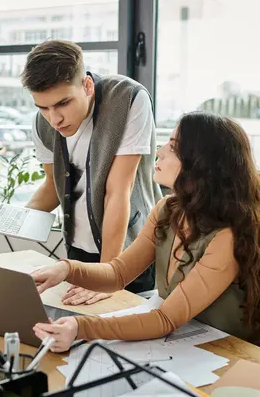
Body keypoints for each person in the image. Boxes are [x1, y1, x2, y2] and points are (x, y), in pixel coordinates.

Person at [31, 112, 260, 353]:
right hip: (187, 341)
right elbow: (118, 273)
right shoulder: (168, 210)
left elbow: (165, 319)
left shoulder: (227, 237)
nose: (159, 152)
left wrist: (81, 328)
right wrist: (66, 269)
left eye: (174, 148)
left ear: (202, 166)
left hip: (231, 354)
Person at [21, 40, 162, 305]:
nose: (54, 119)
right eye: (43, 107)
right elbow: (52, 186)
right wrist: (14, 218)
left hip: (127, 255)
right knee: (76, 336)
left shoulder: (128, 98)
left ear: (86, 85)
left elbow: (118, 192)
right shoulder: (43, 123)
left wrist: (108, 276)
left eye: (63, 103)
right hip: (77, 254)